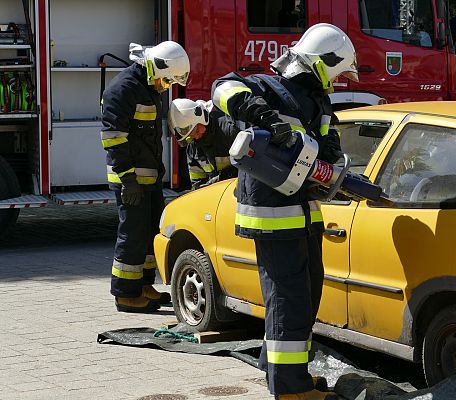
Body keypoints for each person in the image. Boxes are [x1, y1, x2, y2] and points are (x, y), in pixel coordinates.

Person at [211, 23, 358, 400]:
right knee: (287, 298)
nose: (339, 81)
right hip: (272, 216)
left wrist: (333, 163)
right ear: (322, 62)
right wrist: (263, 116)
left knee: (307, 293)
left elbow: (327, 148)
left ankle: (290, 371)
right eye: (339, 72)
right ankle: (289, 389)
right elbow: (222, 89)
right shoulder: (266, 87)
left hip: (305, 212)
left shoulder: (319, 103)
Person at [101, 41, 190, 313]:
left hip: (148, 177)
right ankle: (126, 294)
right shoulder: (123, 90)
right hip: (130, 180)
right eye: (166, 80)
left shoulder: (147, 87)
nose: (165, 86)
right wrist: (128, 179)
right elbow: (113, 138)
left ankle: (143, 285)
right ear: (155, 67)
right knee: (133, 235)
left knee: (150, 232)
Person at [168, 98, 239, 189]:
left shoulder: (229, 131)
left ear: (203, 119)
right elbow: (196, 183)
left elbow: (250, 166)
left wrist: (222, 178)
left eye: (196, 130)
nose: (196, 137)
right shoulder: (193, 149)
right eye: (191, 136)